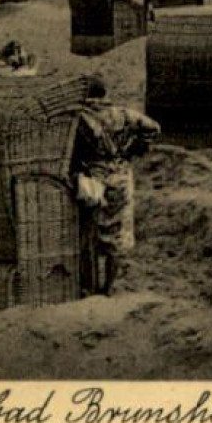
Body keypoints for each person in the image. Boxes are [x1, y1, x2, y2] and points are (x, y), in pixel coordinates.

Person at [75, 76, 160, 295]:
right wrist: (134, 149)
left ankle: (89, 286)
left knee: (89, 232)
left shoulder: (81, 116)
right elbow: (153, 128)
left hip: (94, 177)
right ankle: (109, 287)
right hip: (121, 175)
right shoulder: (123, 114)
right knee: (117, 235)